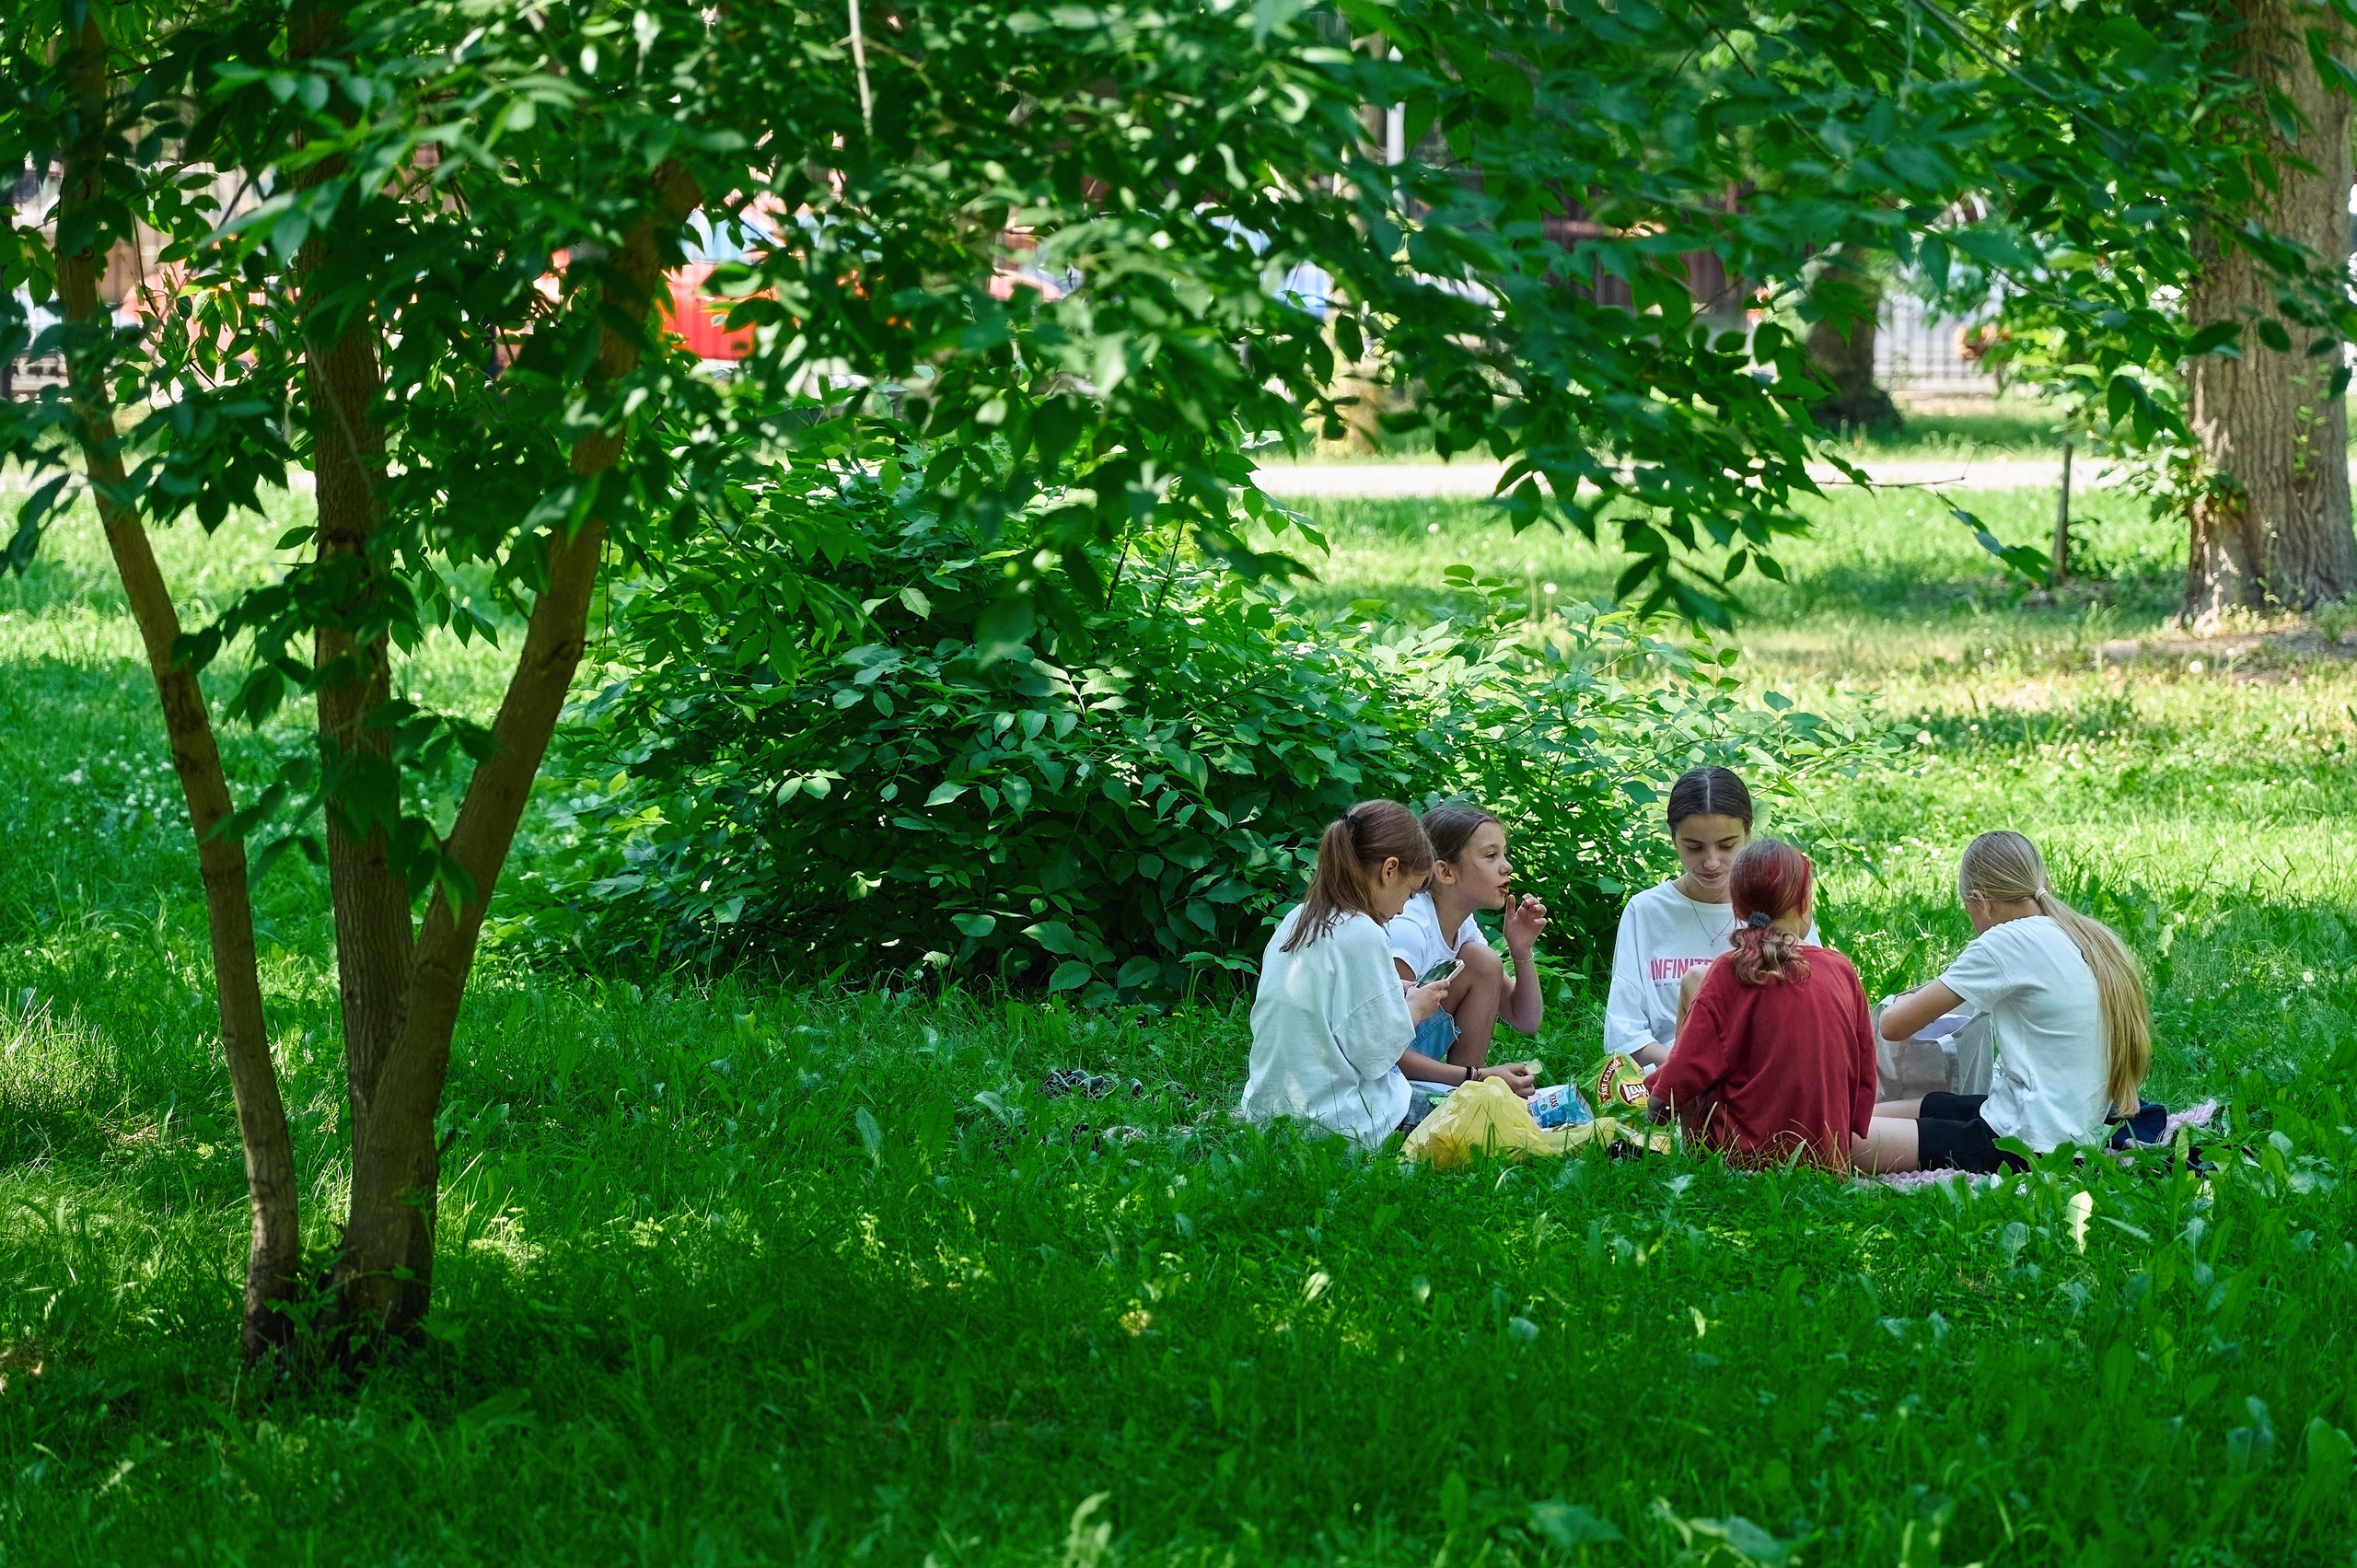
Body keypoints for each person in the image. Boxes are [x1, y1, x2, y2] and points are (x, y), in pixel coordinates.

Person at [1857, 830, 2152, 1174]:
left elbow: (1892, 1026)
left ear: (1981, 902)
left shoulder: (2005, 941)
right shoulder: (2084, 933)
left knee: (1831, 1137)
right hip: (2065, 1127)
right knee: (1903, 1109)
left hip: (2029, 1146)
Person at [1243, 801, 1522, 1147]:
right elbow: (1376, 1055)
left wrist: (1394, 993)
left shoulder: (1299, 917)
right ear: (1389, 870)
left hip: (1267, 1114)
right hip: (1337, 1122)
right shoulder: (1364, 931)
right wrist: (1415, 1008)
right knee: (1489, 1114)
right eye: (1409, 891)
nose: (1404, 906)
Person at [1645, 840, 1876, 1168]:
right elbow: (1864, 1065)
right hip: (1828, 1156)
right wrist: (1850, 1127)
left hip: (1742, 1159)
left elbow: (1687, 1067)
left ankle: (1696, 1163)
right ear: (1804, 901)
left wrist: (1656, 1105)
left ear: (1737, 909)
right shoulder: (1841, 969)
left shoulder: (1728, 972)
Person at [1605, 767, 1817, 1069]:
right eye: (1694, 847)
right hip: (1677, 1080)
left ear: (1748, 832)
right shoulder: (1645, 912)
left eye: (1727, 845)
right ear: (1673, 836)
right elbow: (1623, 1035)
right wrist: (1696, 1073)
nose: (1711, 861)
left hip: (1767, 1075)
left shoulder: (1778, 903)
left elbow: (1814, 1005)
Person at [1386, 802, 1545, 1098]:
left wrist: (1521, 952)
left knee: (1483, 961)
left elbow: (1526, 1020)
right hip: (1381, 1072)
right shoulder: (1409, 928)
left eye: (1504, 853)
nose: (1507, 865)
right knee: (1481, 960)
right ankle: (1464, 1091)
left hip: (1404, 1057)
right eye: (1490, 855)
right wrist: (1479, 1076)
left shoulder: (1464, 926)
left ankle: (1463, 1098)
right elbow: (1382, 1048)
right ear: (1445, 872)